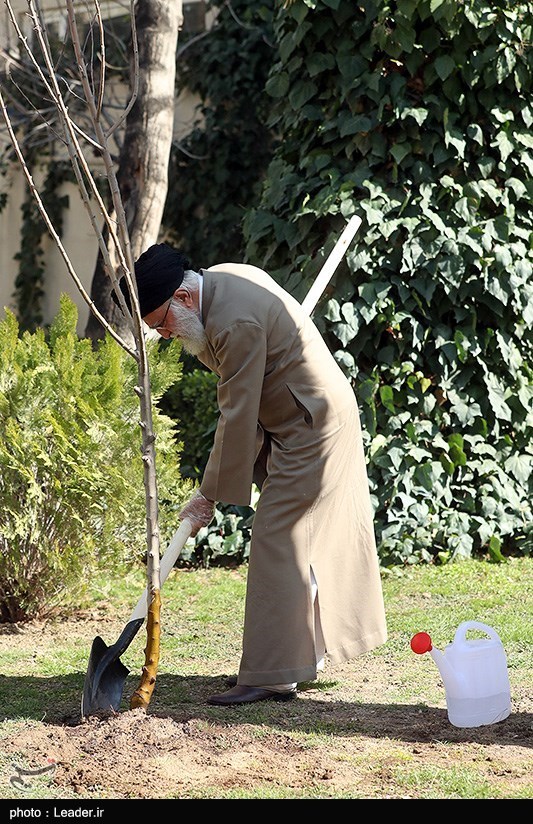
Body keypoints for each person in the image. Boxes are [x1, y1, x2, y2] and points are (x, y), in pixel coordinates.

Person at [115, 242, 387, 705]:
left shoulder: (233, 322)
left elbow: (237, 413)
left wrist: (207, 495)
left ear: (182, 297)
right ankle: (303, 657)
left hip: (312, 424)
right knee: (299, 540)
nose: (164, 335)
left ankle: (272, 674)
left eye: (161, 323)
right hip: (297, 416)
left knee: (277, 537)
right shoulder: (222, 280)